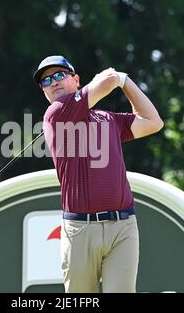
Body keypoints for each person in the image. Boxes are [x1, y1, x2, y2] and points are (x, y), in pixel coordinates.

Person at [33, 55, 164, 293]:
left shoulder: (107, 119)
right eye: (46, 81)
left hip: (122, 226)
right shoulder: (55, 114)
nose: (53, 82)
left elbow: (153, 122)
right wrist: (115, 77)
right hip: (80, 230)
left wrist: (126, 81)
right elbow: (107, 81)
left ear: (76, 80)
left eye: (60, 75)